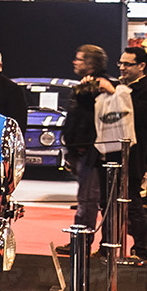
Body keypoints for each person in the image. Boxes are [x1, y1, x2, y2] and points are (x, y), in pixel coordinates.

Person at [57, 44, 115, 256]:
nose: (75, 62)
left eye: (79, 59)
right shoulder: (87, 85)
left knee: (88, 201)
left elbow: (93, 120)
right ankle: (86, 243)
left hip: (92, 153)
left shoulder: (100, 86)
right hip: (82, 152)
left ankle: (84, 245)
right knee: (88, 200)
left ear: (91, 63)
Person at [118, 46, 147, 259]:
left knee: (132, 203)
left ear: (141, 66)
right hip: (114, 154)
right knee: (111, 204)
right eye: (121, 63)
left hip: (134, 156)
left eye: (127, 64)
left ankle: (141, 249)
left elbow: (140, 119)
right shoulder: (120, 88)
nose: (123, 68)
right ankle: (111, 246)